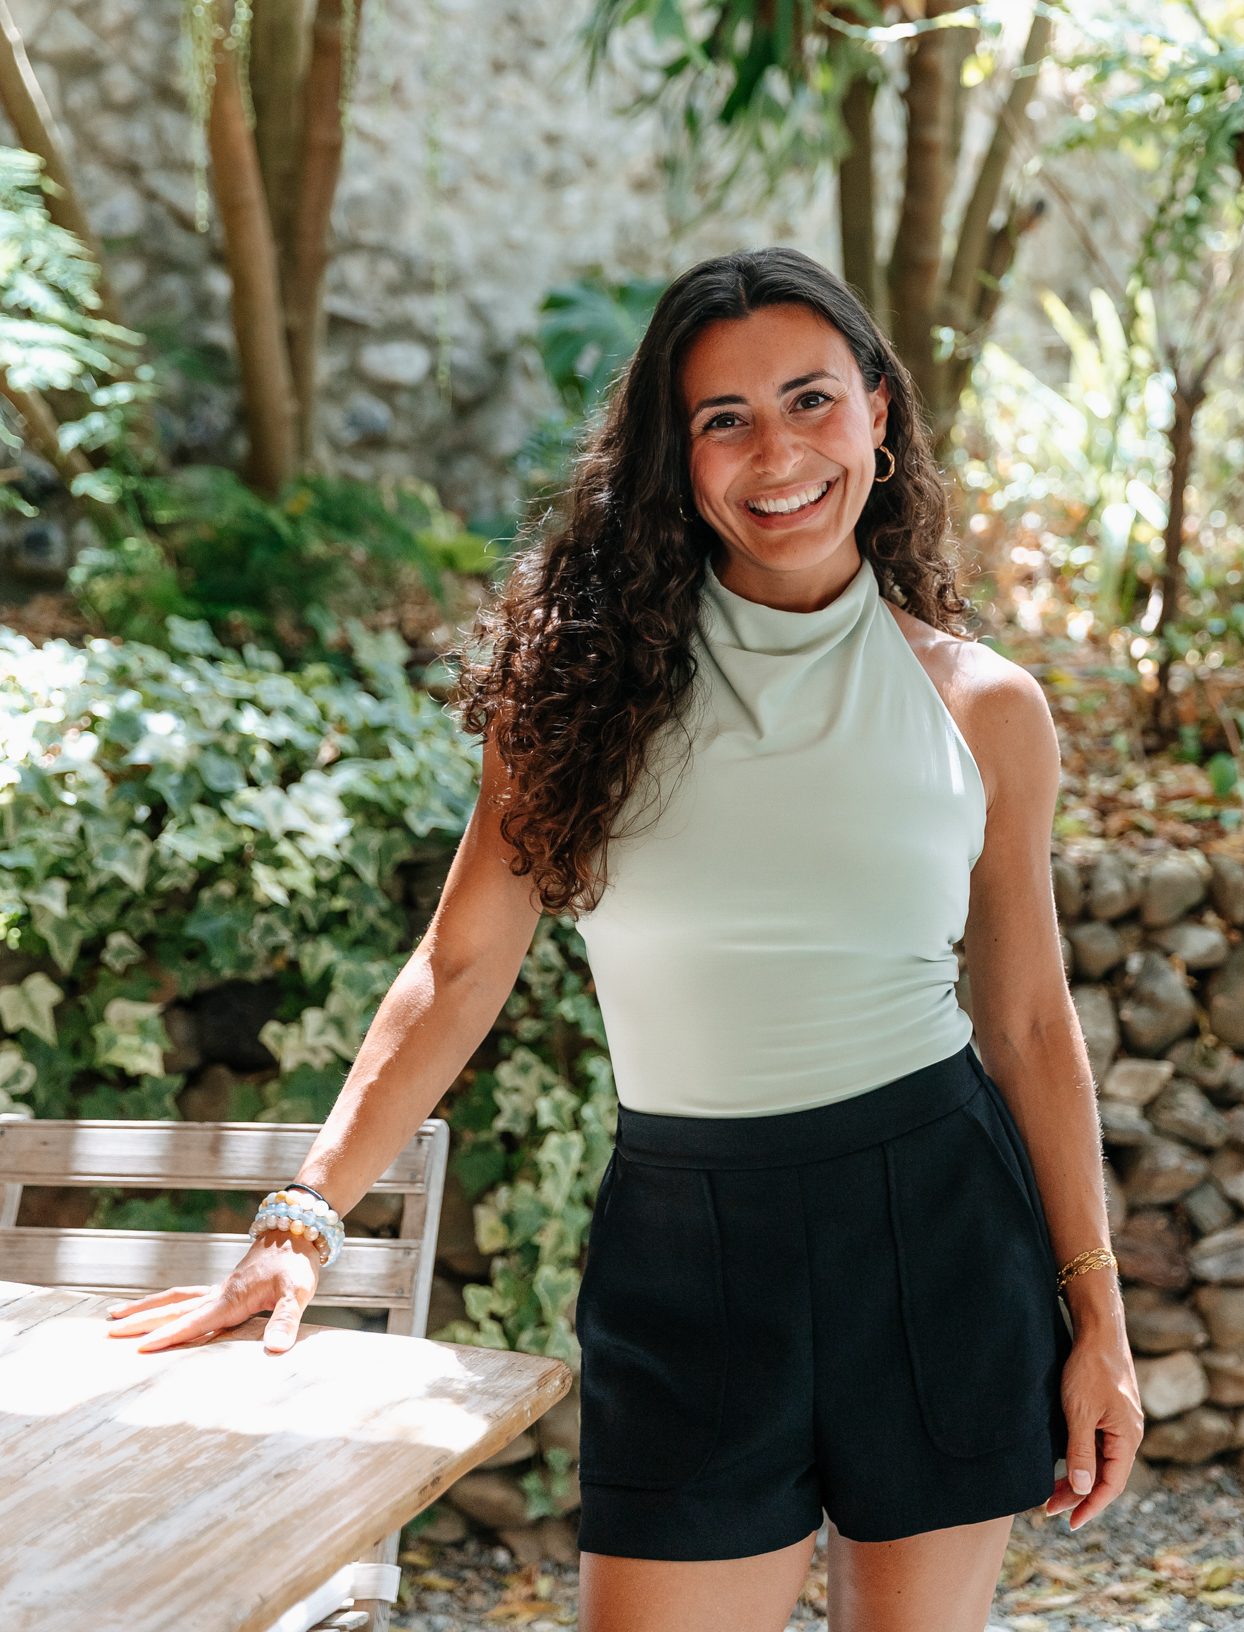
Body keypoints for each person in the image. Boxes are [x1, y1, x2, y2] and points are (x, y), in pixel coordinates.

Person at [106, 246, 1142, 1632]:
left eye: (811, 400)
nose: (778, 453)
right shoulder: (577, 697)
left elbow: (1023, 1020)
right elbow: (457, 970)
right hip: (686, 1237)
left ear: (879, 414)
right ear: (676, 454)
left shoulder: (985, 708)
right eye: (725, 419)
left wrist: (1098, 1320)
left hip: (937, 1226)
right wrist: (303, 1218)